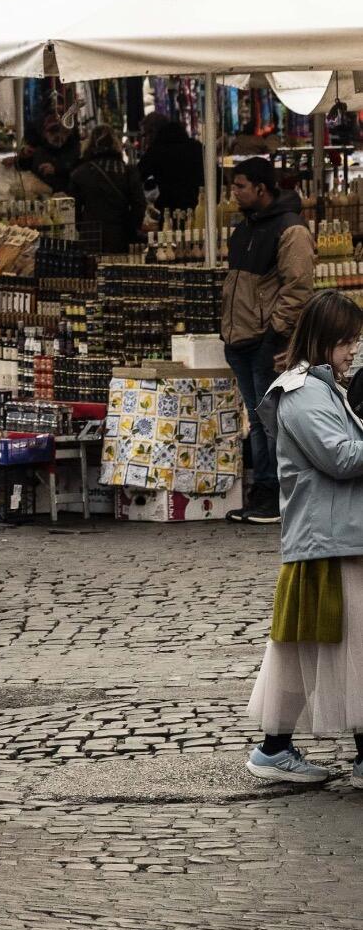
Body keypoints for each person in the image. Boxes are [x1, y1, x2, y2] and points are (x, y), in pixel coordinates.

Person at [245, 291, 363, 787]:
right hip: (328, 541)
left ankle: (275, 748)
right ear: (323, 339)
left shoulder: (319, 388)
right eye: (346, 340)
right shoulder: (304, 393)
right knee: (339, 646)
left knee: (315, 646)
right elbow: (339, 457)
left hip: (332, 538)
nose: (353, 349)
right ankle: (277, 749)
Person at [222, 157, 316, 526]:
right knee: (258, 419)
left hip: (267, 341)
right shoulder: (244, 227)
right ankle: (263, 491)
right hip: (240, 338)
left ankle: (275, 494)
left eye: (240, 185)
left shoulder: (291, 229)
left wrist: (275, 335)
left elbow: (298, 288)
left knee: (271, 421)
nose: (234, 192)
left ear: (261, 188)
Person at [69, 126, 147, 255]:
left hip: (90, 236)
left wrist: (83, 227)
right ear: (116, 144)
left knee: (91, 266)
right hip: (120, 236)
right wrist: (131, 229)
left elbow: (73, 209)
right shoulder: (127, 172)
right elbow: (139, 204)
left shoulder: (80, 173)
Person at [138, 113, 205, 217]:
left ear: (152, 132)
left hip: (171, 213)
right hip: (201, 211)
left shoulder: (156, 151)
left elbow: (137, 176)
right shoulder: (197, 147)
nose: (144, 140)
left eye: (144, 135)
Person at [16, 114, 81, 194]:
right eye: (53, 131)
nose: (58, 135)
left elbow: (76, 169)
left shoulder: (73, 148)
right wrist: (23, 156)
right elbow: (23, 167)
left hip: (65, 194)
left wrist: (56, 169)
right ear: (45, 133)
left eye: (63, 131)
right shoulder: (39, 148)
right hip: (42, 194)